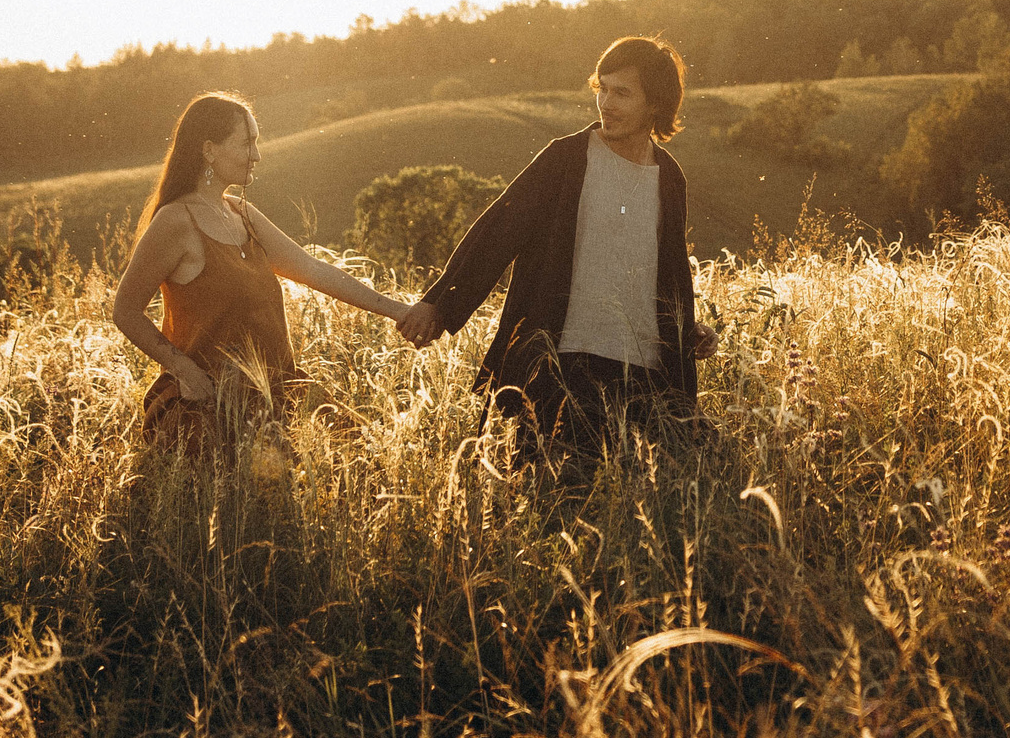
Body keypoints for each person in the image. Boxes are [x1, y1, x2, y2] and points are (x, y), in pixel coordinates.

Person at [396, 36, 713, 460]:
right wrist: (439, 303)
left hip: (644, 376)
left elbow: (666, 271)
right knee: (548, 488)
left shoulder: (669, 176)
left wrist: (685, 330)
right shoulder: (565, 159)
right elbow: (496, 233)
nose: (606, 104)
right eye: (602, 88)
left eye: (622, 93)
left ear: (656, 102)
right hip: (560, 364)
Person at [112, 92, 414, 454]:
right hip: (211, 411)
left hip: (278, 399)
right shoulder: (176, 221)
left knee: (365, 453)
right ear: (209, 150)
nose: (256, 154)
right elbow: (126, 310)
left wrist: (400, 311)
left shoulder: (242, 214)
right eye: (246, 143)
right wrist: (185, 371)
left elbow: (314, 270)